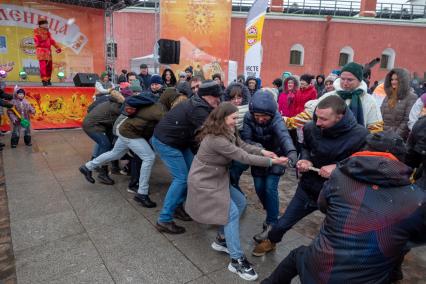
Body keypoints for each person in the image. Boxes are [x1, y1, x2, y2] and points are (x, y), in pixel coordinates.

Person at [261, 131, 426, 284]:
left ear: (366, 151)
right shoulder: (417, 199)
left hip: (318, 272)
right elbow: (417, 238)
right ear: (401, 160)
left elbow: (324, 206)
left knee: (298, 255)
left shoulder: (340, 177)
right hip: (367, 278)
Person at [253, 95, 369, 256]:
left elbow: (365, 163)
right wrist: (305, 159)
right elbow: (306, 147)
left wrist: (338, 167)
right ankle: (271, 241)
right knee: (283, 223)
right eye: (316, 116)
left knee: (333, 234)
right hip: (308, 187)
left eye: (323, 119)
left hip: (337, 193)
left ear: (339, 117)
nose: (318, 122)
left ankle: (325, 260)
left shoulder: (361, 135)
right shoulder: (311, 127)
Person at [185, 102, 290, 281]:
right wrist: (272, 162)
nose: (236, 121)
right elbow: (242, 156)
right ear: (223, 118)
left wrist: (264, 152)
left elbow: (243, 146)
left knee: (240, 201)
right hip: (205, 180)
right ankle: (236, 260)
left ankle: (221, 239)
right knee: (231, 212)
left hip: (217, 176)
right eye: (233, 118)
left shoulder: (228, 130)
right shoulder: (216, 138)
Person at [151, 80, 222, 234]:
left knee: (192, 174)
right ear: (206, 96)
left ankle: (177, 206)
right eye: (216, 96)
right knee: (182, 178)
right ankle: (164, 220)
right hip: (166, 142)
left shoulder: (202, 105)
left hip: (180, 141)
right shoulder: (199, 110)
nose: (219, 99)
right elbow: (210, 136)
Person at [80, 94, 165, 208]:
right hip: (129, 132)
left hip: (124, 130)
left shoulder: (148, 105)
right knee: (149, 157)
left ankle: (87, 167)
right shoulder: (158, 109)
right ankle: (142, 193)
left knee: (115, 153)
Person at [242, 90, 297, 242]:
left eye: (264, 116)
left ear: (272, 114)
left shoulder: (277, 120)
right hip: (259, 157)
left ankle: (271, 223)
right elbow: (246, 139)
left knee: (270, 188)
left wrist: (291, 152)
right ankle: (272, 213)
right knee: (259, 188)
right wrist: (260, 149)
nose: (260, 119)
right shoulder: (248, 118)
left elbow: (284, 136)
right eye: (257, 116)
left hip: (277, 157)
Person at [285, 62, 384, 133]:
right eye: (343, 79)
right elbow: (310, 114)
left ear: (359, 80)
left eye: (350, 80)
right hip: (330, 144)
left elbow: (376, 129)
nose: (345, 83)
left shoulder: (369, 100)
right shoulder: (331, 95)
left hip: (357, 148)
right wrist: (288, 122)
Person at [81, 90, 125, 185]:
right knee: (105, 145)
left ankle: (93, 167)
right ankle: (99, 171)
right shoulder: (116, 107)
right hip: (93, 126)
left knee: (105, 145)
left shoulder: (110, 101)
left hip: (97, 124)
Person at [380, 68, 417, 141]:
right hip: (383, 137)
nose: (393, 82)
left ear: (403, 81)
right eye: (391, 79)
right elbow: (380, 117)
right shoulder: (388, 96)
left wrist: (394, 137)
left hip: (398, 140)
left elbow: (406, 121)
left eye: (396, 79)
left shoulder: (411, 97)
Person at [34, 16, 62, 86]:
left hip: (48, 51)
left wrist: (58, 47)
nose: (46, 25)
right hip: (41, 51)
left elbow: (52, 41)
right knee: (43, 66)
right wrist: (45, 33)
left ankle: (49, 79)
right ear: (40, 25)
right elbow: (39, 40)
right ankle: (44, 80)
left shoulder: (47, 32)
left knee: (49, 67)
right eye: (44, 24)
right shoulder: (37, 31)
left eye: (46, 23)